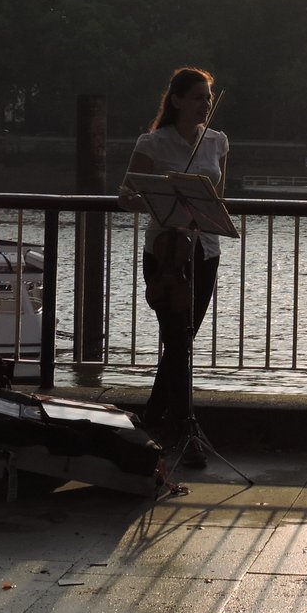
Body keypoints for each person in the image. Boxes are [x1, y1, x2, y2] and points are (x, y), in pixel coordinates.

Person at [118, 67, 228, 467]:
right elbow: (126, 193)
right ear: (177, 100)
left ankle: (150, 420)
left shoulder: (217, 142)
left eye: (209, 97)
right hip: (164, 250)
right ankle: (187, 429)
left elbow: (218, 200)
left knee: (182, 342)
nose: (206, 103)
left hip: (205, 250)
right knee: (177, 340)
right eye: (199, 96)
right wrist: (143, 197)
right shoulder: (153, 142)